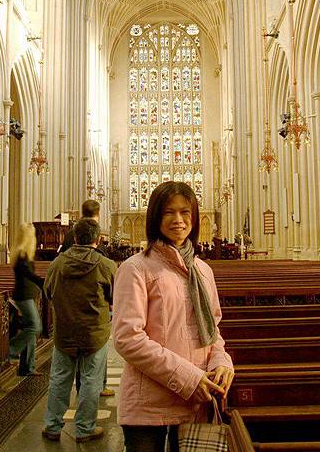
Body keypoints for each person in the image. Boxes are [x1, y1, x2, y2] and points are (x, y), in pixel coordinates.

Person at [112, 181, 234, 452]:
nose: (178, 220)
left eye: (185, 212)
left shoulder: (203, 271)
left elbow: (212, 330)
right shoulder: (135, 268)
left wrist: (222, 363)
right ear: (155, 217)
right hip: (149, 405)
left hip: (195, 402)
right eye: (169, 212)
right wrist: (189, 378)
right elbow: (127, 338)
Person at [41, 219, 117, 443]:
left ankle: (52, 425)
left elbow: (47, 293)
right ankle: (84, 429)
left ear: (75, 238)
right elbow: (116, 297)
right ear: (98, 239)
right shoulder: (106, 265)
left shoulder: (57, 264)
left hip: (64, 331)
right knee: (92, 380)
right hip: (94, 333)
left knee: (59, 378)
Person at [9, 223, 44, 376]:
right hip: (23, 297)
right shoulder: (22, 255)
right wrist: (44, 283)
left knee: (30, 328)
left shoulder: (23, 254)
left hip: (27, 295)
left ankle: (27, 367)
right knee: (35, 327)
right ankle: (10, 349)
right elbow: (30, 276)